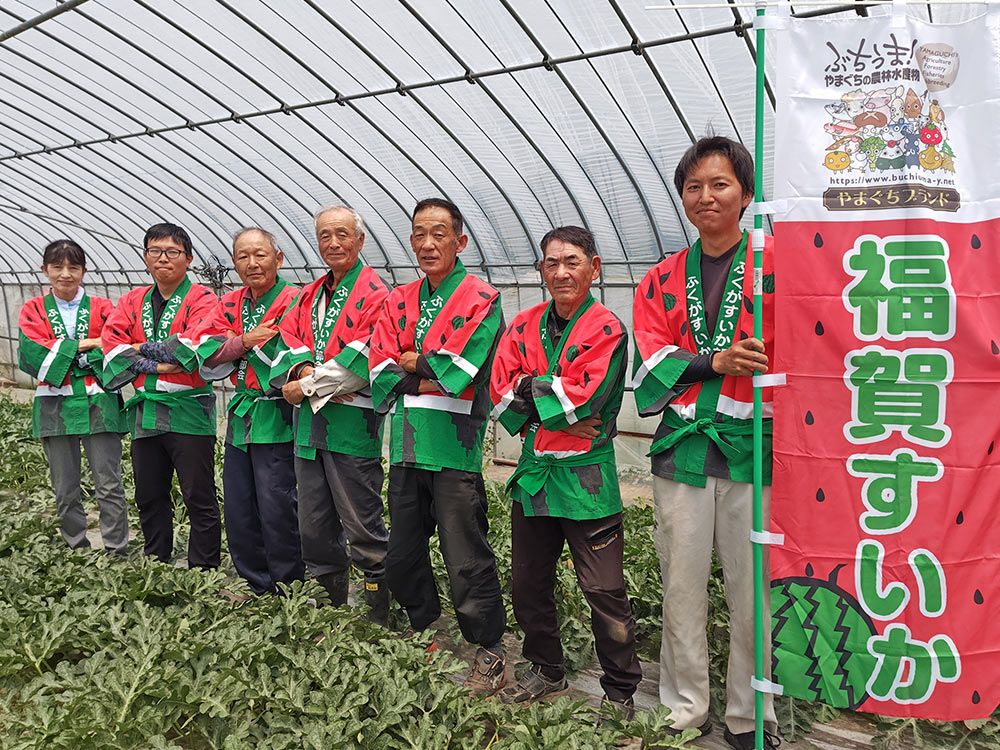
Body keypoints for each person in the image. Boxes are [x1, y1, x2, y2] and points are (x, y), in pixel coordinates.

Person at [631, 136, 778, 750]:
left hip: (755, 450)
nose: (706, 196)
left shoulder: (777, 268)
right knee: (681, 586)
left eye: (720, 184)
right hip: (683, 451)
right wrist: (716, 362)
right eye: (694, 186)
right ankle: (685, 708)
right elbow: (652, 358)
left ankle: (751, 715)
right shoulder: (662, 278)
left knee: (753, 591)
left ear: (746, 193)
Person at [490, 226, 642, 716]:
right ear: (541, 271)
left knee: (603, 589)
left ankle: (619, 690)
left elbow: (587, 398)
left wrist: (532, 390)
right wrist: (551, 401)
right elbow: (499, 389)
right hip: (535, 473)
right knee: (528, 583)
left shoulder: (607, 329)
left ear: (593, 268)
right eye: (551, 263)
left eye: (572, 261)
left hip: (586, 479)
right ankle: (545, 666)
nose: (561, 272)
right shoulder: (522, 324)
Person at [370, 198, 507, 694]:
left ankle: (489, 648)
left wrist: (413, 362)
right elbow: (380, 366)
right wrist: (420, 368)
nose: (428, 244)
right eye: (419, 234)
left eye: (439, 234)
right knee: (402, 554)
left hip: (453, 448)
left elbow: (463, 371)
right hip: (407, 446)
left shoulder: (482, 298)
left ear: (460, 241)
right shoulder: (398, 298)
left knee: (465, 554)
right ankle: (425, 626)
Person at [272, 206, 390, 623]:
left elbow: (364, 360)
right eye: (325, 235)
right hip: (309, 428)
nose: (334, 243)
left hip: (352, 426)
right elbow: (286, 344)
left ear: (360, 240)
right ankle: (330, 607)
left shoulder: (377, 293)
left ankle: (377, 614)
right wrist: (307, 374)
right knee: (314, 525)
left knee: (362, 523)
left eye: (343, 234)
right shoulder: (308, 294)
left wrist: (305, 386)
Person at [101, 222, 223, 570]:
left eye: (172, 252)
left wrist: (138, 349)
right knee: (149, 493)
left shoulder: (203, 299)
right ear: (146, 257)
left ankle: (204, 568)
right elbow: (112, 345)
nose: (163, 258)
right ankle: (157, 561)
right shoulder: (131, 300)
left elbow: (191, 345)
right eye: (155, 251)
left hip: (188, 410)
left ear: (188, 259)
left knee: (198, 494)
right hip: (146, 411)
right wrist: (155, 363)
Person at [199, 227, 304, 594]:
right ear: (234, 263)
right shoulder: (230, 302)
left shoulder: (296, 299)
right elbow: (207, 349)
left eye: (260, 254)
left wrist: (235, 344)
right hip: (241, 415)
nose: (252, 263)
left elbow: (295, 348)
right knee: (239, 504)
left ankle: (288, 584)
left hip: (279, 415)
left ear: (278, 258)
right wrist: (244, 340)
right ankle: (255, 583)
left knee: (278, 505)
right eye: (243, 256)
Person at [18, 239, 128, 555]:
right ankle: (76, 548)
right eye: (57, 267)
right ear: (45, 270)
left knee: (109, 483)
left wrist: (64, 350)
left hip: (99, 401)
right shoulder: (33, 309)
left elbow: (115, 345)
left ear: (84, 271)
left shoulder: (104, 307)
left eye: (73, 267)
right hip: (54, 405)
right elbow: (31, 351)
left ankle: (116, 549)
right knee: (65, 486)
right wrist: (86, 344)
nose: (65, 274)